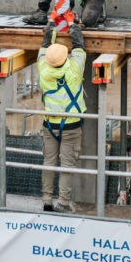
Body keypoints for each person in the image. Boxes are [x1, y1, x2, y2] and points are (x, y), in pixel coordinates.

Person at [37, 20, 87, 213]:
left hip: (49, 125)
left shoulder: (43, 69)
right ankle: (63, 202)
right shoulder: (74, 69)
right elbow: (80, 47)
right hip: (71, 126)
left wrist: (50, 28)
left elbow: (43, 47)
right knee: (67, 165)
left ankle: (47, 199)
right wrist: (74, 27)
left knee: (49, 162)